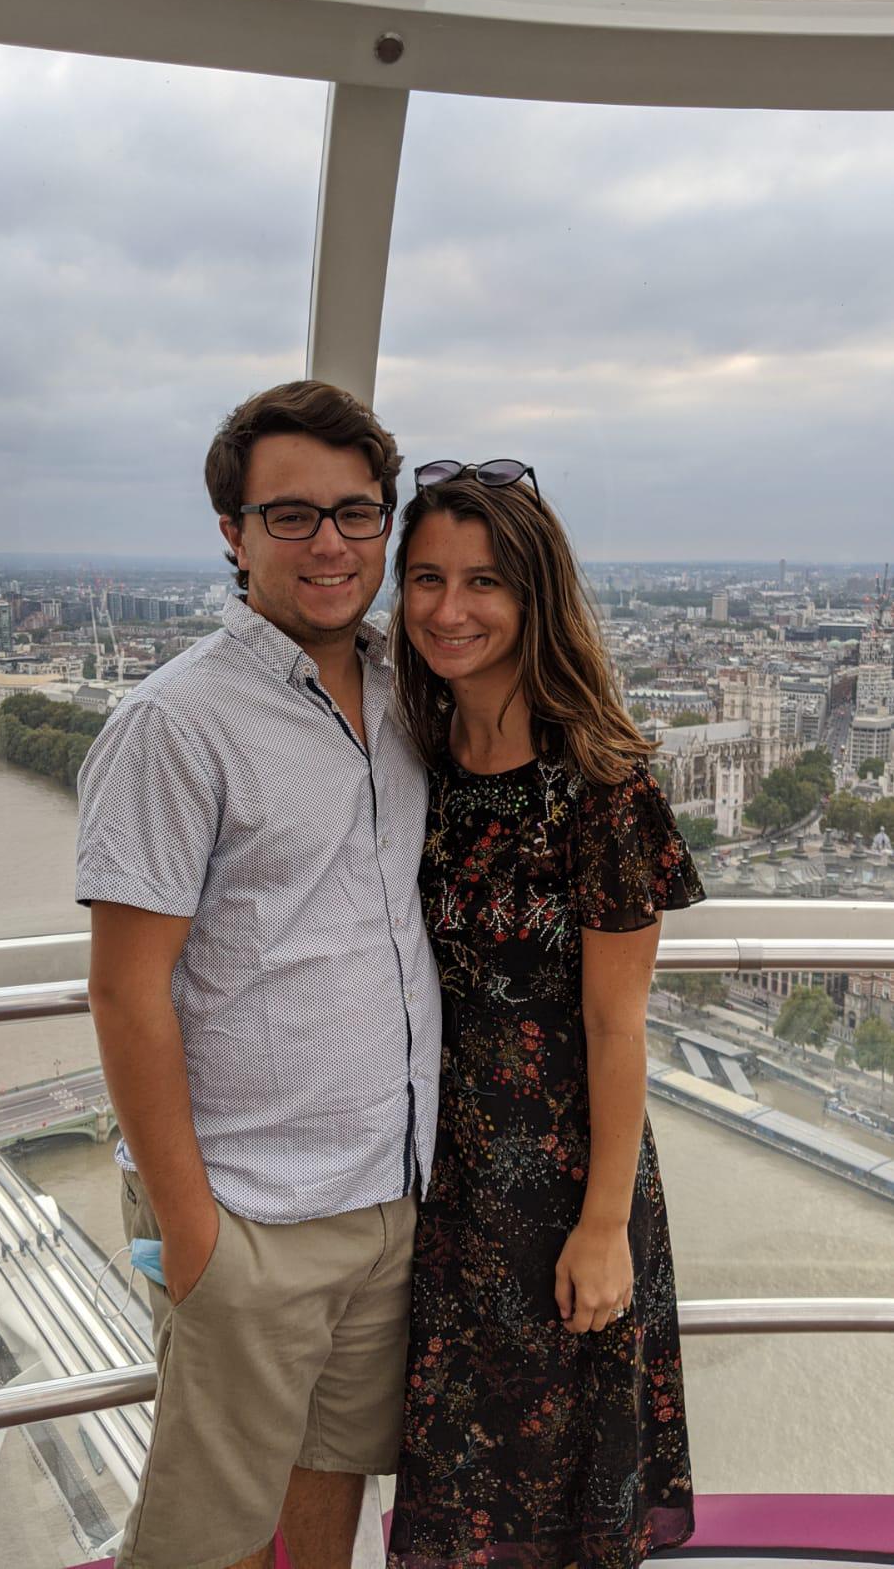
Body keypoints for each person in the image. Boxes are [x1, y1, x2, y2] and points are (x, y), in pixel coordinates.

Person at [75, 381, 441, 1569]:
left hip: (388, 1200)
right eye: (289, 515)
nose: (330, 543)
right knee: (206, 1538)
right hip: (249, 1213)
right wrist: (194, 1240)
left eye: (356, 512)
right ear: (231, 534)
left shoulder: (409, 690)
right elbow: (127, 990)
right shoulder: (173, 725)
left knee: (333, 1494)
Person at [385, 461, 705, 1569]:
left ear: (533, 596)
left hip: (566, 1195)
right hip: (445, 1190)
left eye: (482, 581)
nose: (447, 609)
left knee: (551, 1502)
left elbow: (619, 1029)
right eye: (423, 579)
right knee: (456, 1484)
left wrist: (603, 1228)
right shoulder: (413, 765)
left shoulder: (599, 785)